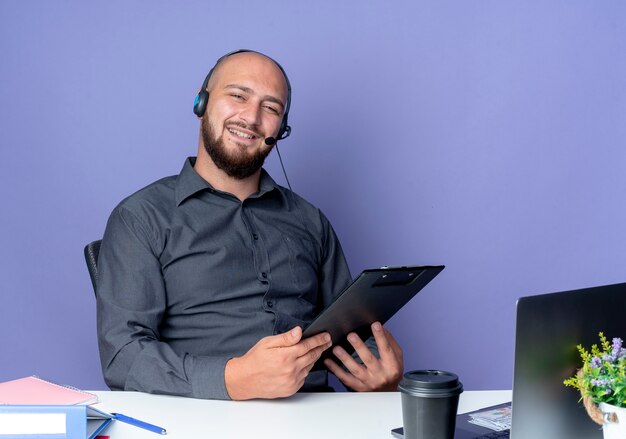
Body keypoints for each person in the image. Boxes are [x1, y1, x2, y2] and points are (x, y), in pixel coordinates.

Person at [97, 50, 403, 400]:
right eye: (238, 96)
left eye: (271, 108)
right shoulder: (141, 217)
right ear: (202, 103)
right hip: (199, 419)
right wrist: (233, 378)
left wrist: (381, 378)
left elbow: (352, 334)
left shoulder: (310, 220)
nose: (251, 118)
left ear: (281, 130)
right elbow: (123, 356)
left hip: (319, 418)